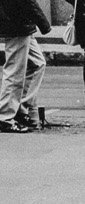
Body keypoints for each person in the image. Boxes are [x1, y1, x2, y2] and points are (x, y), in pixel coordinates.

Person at [0, 0, 46, 130]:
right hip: (17, 20)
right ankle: (5, 116)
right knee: (15, 70)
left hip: (19, 20)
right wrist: (43, 23)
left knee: (37, 63)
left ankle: (18, 108)